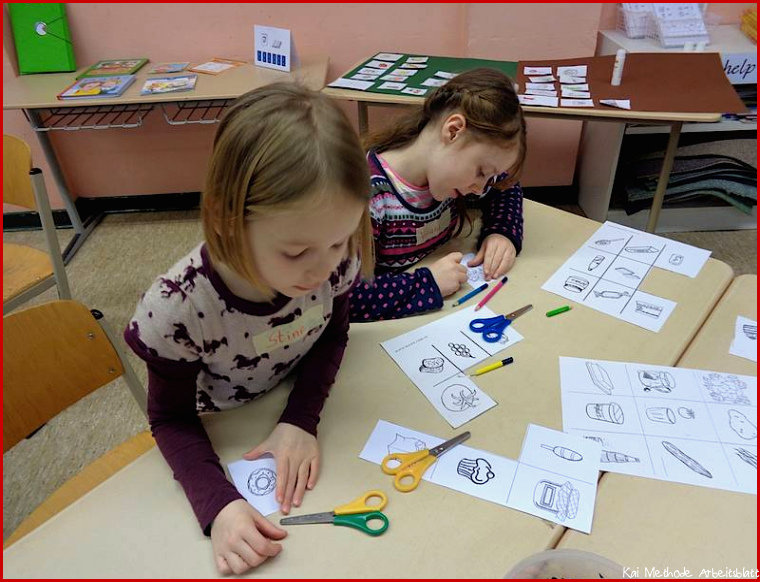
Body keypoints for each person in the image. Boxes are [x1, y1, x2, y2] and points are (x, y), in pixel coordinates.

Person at [124, 83, 373, 575]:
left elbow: (332, 334)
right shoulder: (178, 309)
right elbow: (170, 420)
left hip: (287, 405)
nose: (323, 269)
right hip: (224, 427)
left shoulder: (332, 255)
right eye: (296, 252)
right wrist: (218, 506)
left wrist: (301, 419)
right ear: (226, 216)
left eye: (340, 241)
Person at [350, 68, 526, 322]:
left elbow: (506, 186)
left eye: (488, 176)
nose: (481, 187)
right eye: (481, 172)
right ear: (453, 131)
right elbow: (345, 297)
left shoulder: (450, 176)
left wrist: (501, 232)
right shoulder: (369, 198)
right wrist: (426, 284)